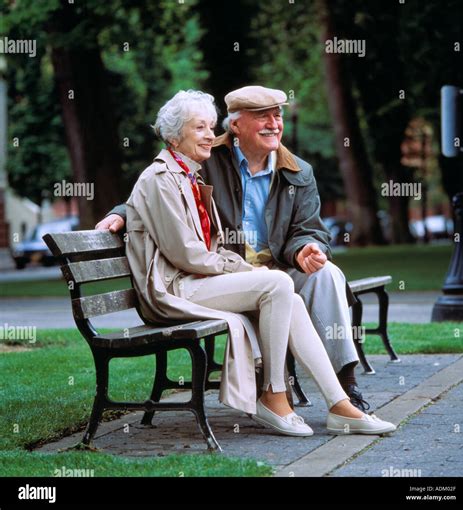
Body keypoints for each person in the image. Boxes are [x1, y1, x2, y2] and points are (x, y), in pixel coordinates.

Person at [123, 89, 396, 437]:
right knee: (278, 286)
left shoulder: (196, 172)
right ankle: (275, 394)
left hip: (228, 274)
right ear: (236, 125)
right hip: (180, 286)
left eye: (277, 115)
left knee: (315, 280)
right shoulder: (194, 167)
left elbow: (308, 229)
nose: (209, 134)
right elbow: (181, 246)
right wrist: (120, 215)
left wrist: (304, 249)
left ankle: (341, 399)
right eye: (200, 128)